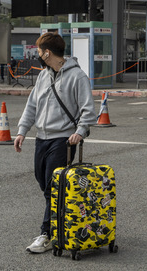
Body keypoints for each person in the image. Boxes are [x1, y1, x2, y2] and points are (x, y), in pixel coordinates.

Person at [14, 32, 96, 254]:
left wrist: (80, 132)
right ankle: (61, 223)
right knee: (43, 182)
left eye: (39, 51)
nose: (38, 55)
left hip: (63, 140)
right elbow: (31, 106)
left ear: (47, 52)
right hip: (41, 138)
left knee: (53, 187)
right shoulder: (43, 76)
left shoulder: (77, 76)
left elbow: (88, 109)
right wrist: (22, 131)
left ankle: (47, 233)